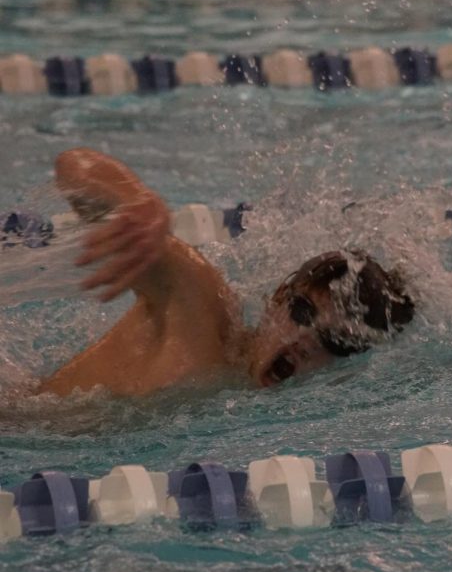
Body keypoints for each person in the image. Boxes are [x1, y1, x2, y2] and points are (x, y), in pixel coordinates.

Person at [39, 148, 414, 396]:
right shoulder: (201, 307)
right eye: (303, 312)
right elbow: (73, 167)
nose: (305, 340)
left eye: (336, 341)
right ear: (278, 299)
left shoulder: (245, 406)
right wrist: (138, 200)